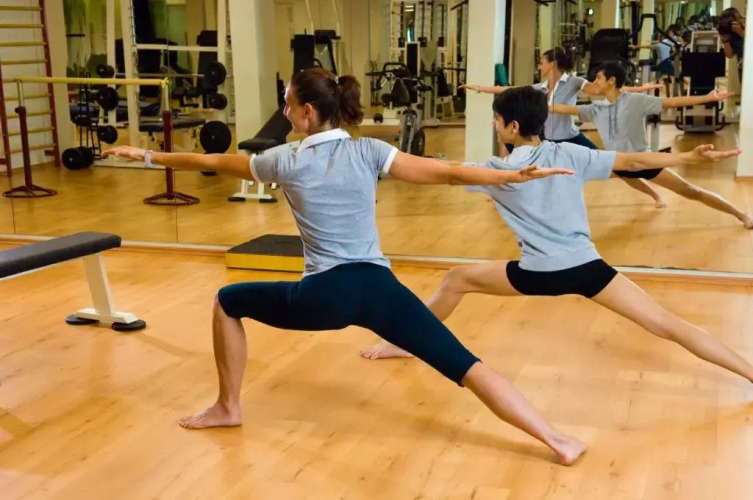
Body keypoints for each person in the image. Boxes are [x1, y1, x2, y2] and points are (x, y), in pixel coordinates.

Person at [102, 68, 589, 465]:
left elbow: (210, 162)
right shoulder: (369, 150)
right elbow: (444, 173)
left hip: (324, 296)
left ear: (308, 112)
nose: (284, 112)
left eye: (288, 104)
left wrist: (146, 155)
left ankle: (228, 406)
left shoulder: (283, 160)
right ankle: (558, 439)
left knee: (228, 301)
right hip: (380, 289)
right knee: (467, 365)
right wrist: (510, 175)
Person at [359, 87, 753, 397]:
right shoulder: (570, 153)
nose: (495, 125)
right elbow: (633, 163)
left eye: (497, 120)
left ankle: (407, 343)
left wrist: (375, 162)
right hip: (588, 269)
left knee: (455, 280)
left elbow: (442, 173)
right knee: (667, 323)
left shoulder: (496, 170)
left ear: (513, 127)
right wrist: (688, 159)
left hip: (537, 274)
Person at [549, 62, 752, 226]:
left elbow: (672, 102)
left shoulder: (635, 101)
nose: (594, 83)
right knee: (569, 176)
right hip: (616, 163)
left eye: (599, 78)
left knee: (691, 191)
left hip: (644, 162)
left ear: (612, 80)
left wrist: (706, 97)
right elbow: (560, 109)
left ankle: (741, 214)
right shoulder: (595, 108)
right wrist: (537, 102)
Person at [461, 48, 666, 204]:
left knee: (615, 166)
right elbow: (511, 89)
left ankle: (654, 194)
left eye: (541, 63)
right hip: (545, 140)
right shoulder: (541, 87)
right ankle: (500, 190)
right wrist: (478, 88)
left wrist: (639, 89)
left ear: (552, 64)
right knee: (514, 157)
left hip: (570, 137)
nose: (539, 67)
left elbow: (601, 88)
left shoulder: (574, 82)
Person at [718, 7, 745, 81]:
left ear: (738, 18)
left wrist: (742, 33)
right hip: (743, 72)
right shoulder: (732, 33)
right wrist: (725, 40)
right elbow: (729, 55)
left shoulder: (749, 27)